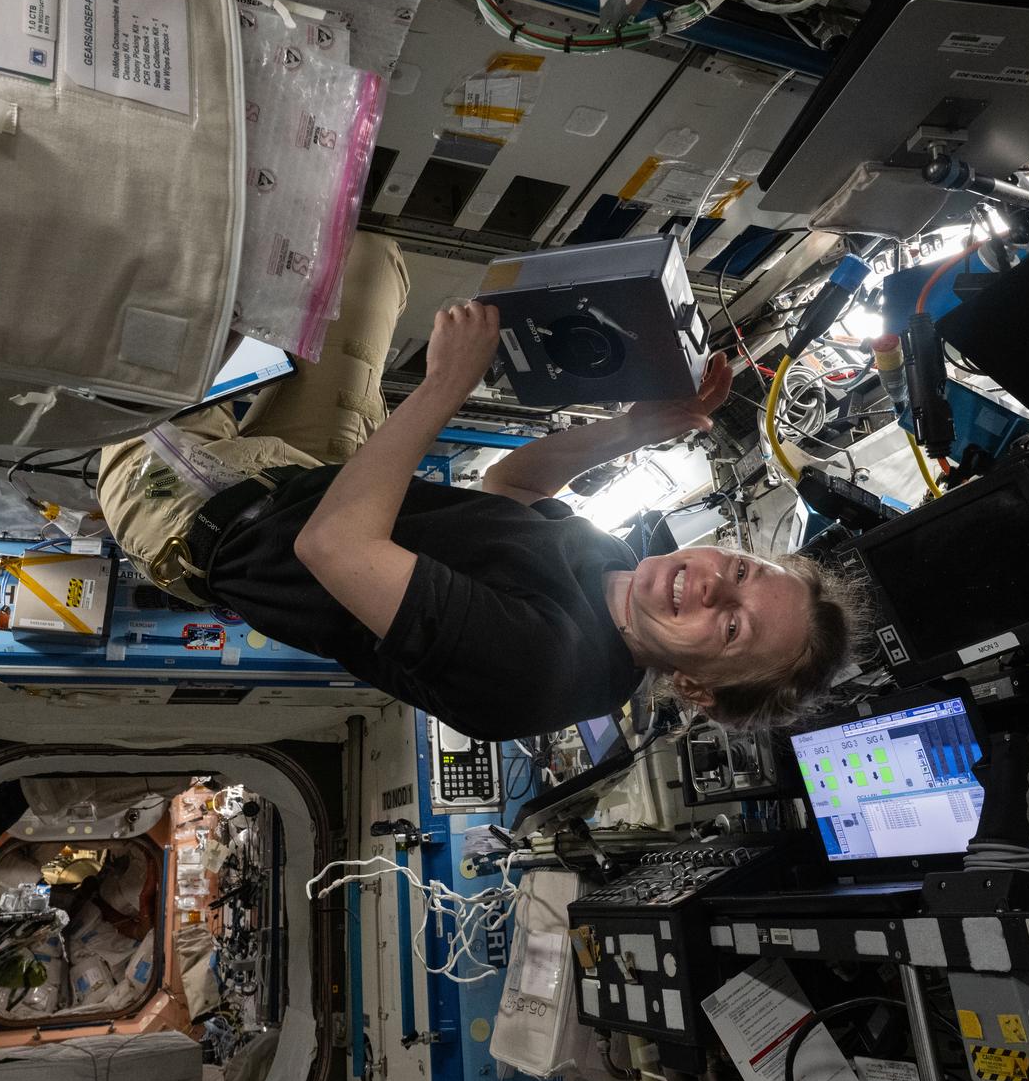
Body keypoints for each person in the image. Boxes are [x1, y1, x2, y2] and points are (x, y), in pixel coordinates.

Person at [100, 234, 861, 741]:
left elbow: (333, 545)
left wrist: (443, 389)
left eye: (731, 628)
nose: (707, 587)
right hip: (320, 476)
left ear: (698, 688)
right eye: (737, 571)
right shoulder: (615, 570)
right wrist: (636, 428)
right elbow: (513, 482)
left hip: (217, 514)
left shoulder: (541, 673)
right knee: (365, 263)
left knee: (129, 329)